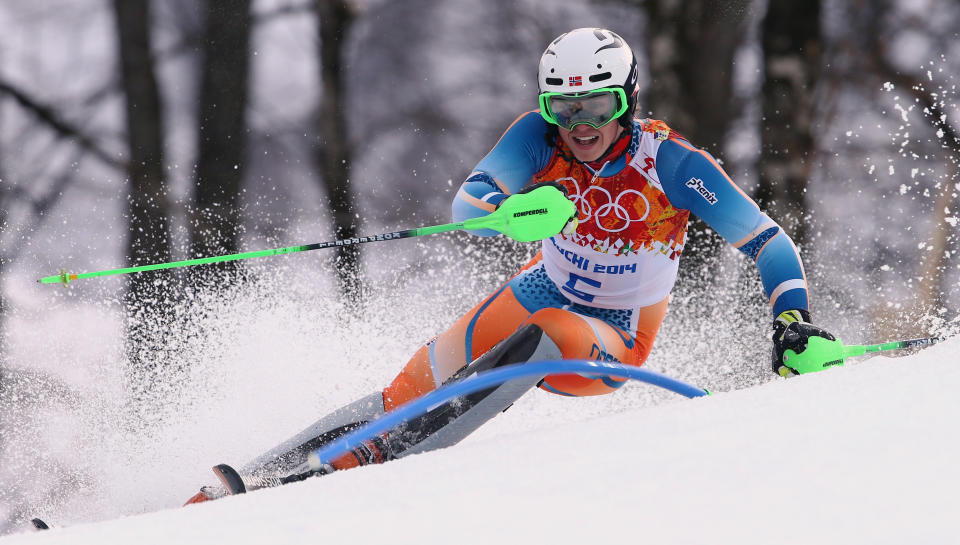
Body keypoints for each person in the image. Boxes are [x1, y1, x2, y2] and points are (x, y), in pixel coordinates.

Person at [186, 27, 836, 503]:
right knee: (410, 385)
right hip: (537, 285)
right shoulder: (536, 135)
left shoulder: (671, 165)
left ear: (627, 101)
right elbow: (469, 199)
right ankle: (261, 474)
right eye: (565, 108)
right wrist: (507, 209)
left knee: (548, 333)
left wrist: (791, 320)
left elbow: (767, 240)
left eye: (597, 107)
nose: (580, 126)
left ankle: (371, 462)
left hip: (612, 331)